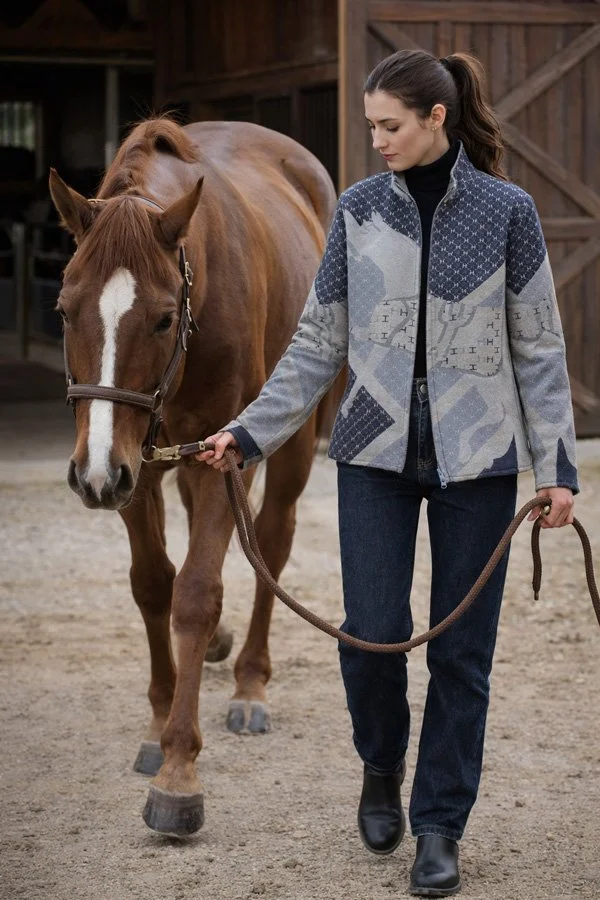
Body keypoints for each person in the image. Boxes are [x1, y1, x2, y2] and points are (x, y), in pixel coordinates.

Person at [197, 49, 578, 897]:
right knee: (371, 635)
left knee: (461, 655)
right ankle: (381, 765)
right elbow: (317, 341)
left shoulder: (508, 213)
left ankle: (440, 825)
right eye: (371, 126)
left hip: (478, 460)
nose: (377, 141)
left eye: (390, 125)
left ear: (437, 117)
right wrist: (250, 433)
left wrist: (557, 468)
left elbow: (539, 347)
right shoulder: (359, 210)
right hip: (372, 452)